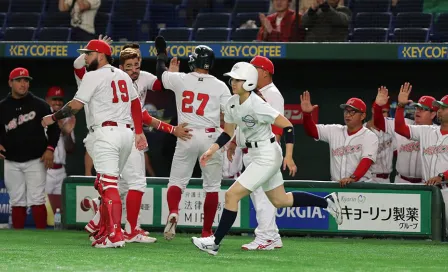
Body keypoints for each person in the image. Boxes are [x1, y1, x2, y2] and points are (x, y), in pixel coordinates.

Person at [191, 62, 343, 256]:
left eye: (237, 79)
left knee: (231, 195)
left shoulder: (258, 104)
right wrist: (212, 150)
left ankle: (215, 243)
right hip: (255, 153)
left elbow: (288, 126)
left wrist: (288, 155)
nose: (233, 82)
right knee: (280, 200)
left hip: (267, 153)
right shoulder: (231, 103)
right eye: (232, 78)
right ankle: (327, 202)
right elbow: (227, 132)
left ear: (248, 82)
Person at [42, 39, 148, 248]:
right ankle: (103, 228)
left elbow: (74, 106)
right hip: (126, 134)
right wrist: (138, 132)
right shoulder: (123, 75)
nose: (86, 58)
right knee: (107, 184)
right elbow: (135, 104)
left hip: (106, 132)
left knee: (109, 186)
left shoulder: (93, 75)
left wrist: (52, 118)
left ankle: (114, 236)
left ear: (100, 55)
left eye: (89, 54)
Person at [84, 47, 192, 244]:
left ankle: (100, 222)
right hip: (117, 133)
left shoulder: (121, 77)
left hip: (110, 134)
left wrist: (167, 70)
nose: (134, 70)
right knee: (134, 184)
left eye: (137, 65)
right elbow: (143, 116)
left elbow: (159, 86)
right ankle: (128, 230)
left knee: (117, 185)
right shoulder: (117, 79)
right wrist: (171, 130)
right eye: (129, 66)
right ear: (119, 66)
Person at [154, 36, 232, 240]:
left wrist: (162, 54)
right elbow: (229, 116)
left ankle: (173, 211)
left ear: (194, 62)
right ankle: (206, 231)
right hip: (211, 137)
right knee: (212, 187)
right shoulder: (221, 86)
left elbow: (160, 74)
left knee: (177, 182)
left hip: (186, 134)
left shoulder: (181, 79)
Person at [228, 56, 284, 250]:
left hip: (263, 151)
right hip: (252, 150)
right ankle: (272, 236)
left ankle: (266, 236)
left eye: (254, 68)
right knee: (262, 195)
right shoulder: (252, 94)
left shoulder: (272, 93)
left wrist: (268, 153)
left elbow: (277, 127)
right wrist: (234, 141)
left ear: (264, 72)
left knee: (262, 195)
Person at [0, 68, 61, 229]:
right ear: (10, 83)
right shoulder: (2, 107)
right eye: (19, 80)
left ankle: (41, 236)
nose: (23, 84)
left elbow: (55, 129)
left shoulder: (40, 105)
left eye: (26, 80)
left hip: (36, 159)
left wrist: (50, 149)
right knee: (16, 200)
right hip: (11, 160)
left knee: (37, 199)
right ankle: (20, 238)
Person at [392, 83, 448, 228]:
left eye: (443, 108)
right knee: (429, 232)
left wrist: (442, 177)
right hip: (429, 189)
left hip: (446, 187)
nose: (440, 110)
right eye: (439, 107)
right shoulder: (427, 131)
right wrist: (400, 106)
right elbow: (400, 128)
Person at [302, 92, 379, 185]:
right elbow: (312, 132)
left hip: (361, 186)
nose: (348, 115)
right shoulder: (335, 130)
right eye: (346, 111)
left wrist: (352, 178)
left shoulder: (370, 136)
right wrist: (306, 115)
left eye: (352, 111)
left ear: (362, 116)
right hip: (336, 185)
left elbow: (366, 161)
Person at [374, 86, 438, 184]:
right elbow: (379, 123)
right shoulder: (404, 123)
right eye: (417, 107)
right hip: (401, 181)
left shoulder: (437, 132)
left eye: (423, 109)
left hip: (424, 183)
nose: (418, 111)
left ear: (433, 114)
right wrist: (377, 106)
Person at [45, 86, 76, 213]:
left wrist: (66, 132)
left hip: (61, 170)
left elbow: (70, 149)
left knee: (60, 209)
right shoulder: (42, 118)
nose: (57, 102)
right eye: (54, 99)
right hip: (45, 170)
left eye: (60, 99)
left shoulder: (67, 120)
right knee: (41, 205)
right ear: (47, 100)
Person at [365, 97, 394, 183]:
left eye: (387, 112)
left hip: (387, 179)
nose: (385, 115)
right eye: (383, 112)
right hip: (369, 178)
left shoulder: (391, 130)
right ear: (374, 110)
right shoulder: (363, 130)